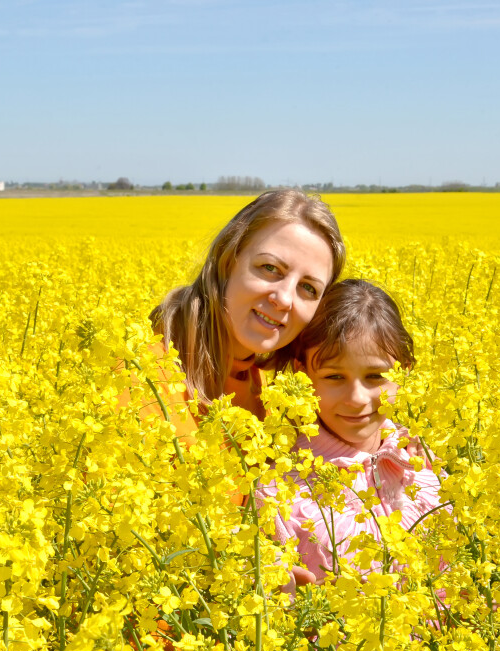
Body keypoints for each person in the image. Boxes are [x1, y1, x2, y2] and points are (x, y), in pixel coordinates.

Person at [258, 279, 449, 592]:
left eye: (375, 376)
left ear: (405, 373)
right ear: (302, 373)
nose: (357, 398)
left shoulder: (422, 463)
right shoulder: (279, 490)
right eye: (334, 376)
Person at [147, 189, 346, 430]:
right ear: (229, 259)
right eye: (270, 268)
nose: (284, 299)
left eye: (308, 287)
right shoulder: (142, 378)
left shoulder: (272, 397)